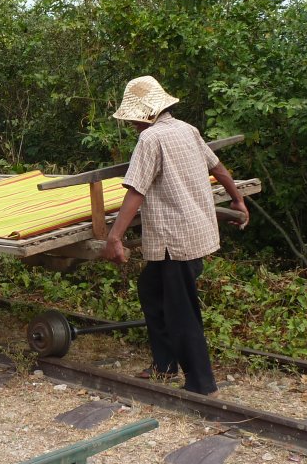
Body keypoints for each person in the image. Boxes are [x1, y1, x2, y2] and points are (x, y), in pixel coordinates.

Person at [101, 76, 249, 397]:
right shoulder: (187, 129)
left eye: (132, 118)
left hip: (175, 241)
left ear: (143, 114)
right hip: (195, 233)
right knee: (150, 289)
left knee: (181, 310)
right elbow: (219, 168)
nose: (132, 125)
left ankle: (200, 384)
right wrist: (236, 198)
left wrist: (115, 237)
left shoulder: (150, 140)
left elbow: (136, 189)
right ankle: (165, 365)